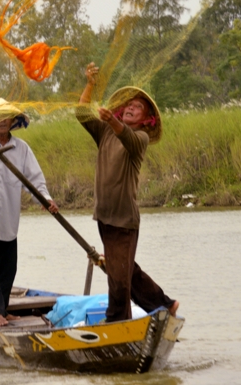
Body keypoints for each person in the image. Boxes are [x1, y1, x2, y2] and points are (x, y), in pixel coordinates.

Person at [77, 62, 179, 322]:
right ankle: (164, 303)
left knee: (119, 280)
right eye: (130, 105)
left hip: (123, 220)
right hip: (104, 216)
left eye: (139, 107)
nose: (132, 108)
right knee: (124, 270)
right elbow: (81, 112)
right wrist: (89, 85)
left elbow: (128, 138)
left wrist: (113, 119)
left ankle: (116, 321)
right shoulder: (105, 132)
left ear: (146, 119)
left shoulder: (140, 138)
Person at [0, 98, 58, 327]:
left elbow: (34, 181)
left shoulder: (21, 149)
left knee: (8, 266)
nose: (2, 121)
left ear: (13, 121)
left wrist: (46, 200)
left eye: (6, 117)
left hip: (7, 220)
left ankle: (2, 309)